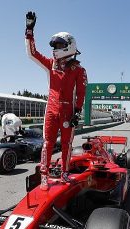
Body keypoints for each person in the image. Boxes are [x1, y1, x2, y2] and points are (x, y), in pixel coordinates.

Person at [25, 11, 88, 190]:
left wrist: (77, 111)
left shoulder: (78, 69)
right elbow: (33, 53)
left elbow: (81, 93)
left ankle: (65, 172)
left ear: (69, 46)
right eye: (55, 45)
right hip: (51, 110)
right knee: (48, 142)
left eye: (59, 44)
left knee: (67, 143)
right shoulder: (50, 64)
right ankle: (44, 175)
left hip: (68, 112)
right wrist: (29, 30)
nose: (55, 48)